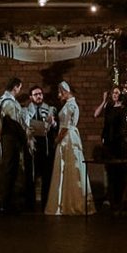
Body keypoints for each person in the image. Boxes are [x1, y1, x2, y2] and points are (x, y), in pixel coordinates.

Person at [46, 80, 93, 216]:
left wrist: (57, 140)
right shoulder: (69, 105)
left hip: (68, 139)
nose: (59, 95)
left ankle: (70, 202)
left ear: (65, 91)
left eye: (60, 92)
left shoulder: (70, 106)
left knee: (68, 166)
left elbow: (66, 126)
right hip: (70, 136)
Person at [0, 77, 29, 214]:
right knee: (9, 170)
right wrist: (23, 138)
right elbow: (13, 122)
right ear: (15, 87)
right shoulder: (8, 103)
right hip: (10, 140)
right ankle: (5, 204)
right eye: (20, 87)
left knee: (11, 170)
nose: (19, 90)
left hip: (10, 139)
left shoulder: (7, 101)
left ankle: (7, 202)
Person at [25, 84, 58, 212]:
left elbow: (56, 127)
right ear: (31, 97)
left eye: (40, 94)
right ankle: (30, 206)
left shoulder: (50, 109)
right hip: (32, 147)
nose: (39, 96)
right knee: (31, 177)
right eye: (36, 94)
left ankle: (46, 204)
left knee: (47, 177)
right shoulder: (26, 111)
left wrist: (53, 122)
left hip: (46, 148)